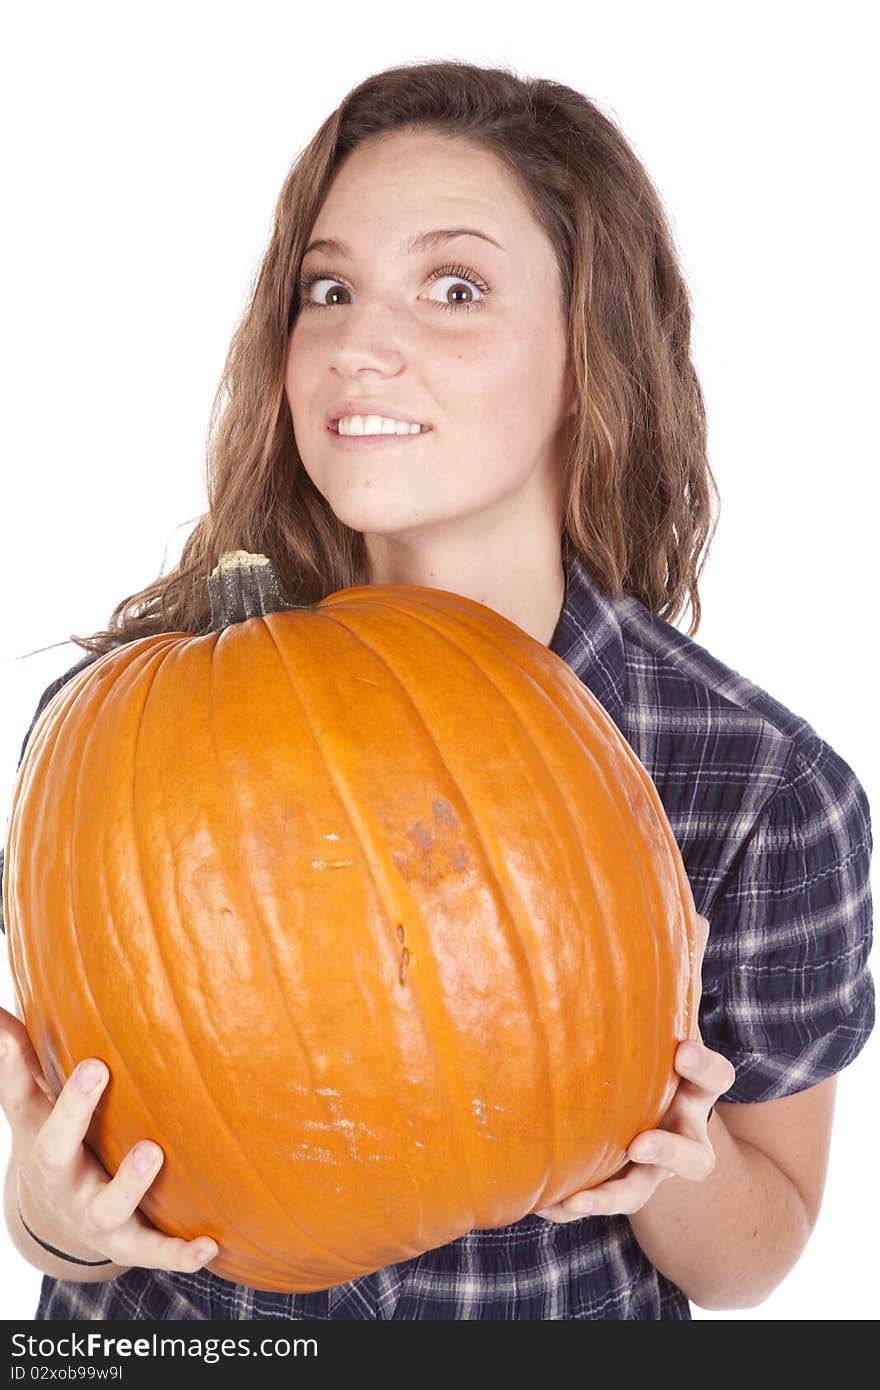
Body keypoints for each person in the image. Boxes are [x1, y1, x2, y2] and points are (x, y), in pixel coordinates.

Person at [0, 59, 873, 1321]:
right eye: (329, 288)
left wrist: (663, 1159)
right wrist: (52, 1214)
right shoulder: (110, 734)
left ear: (593, 353)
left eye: (453, 289)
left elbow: (758, 1252)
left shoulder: (754, 788)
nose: (360, 344)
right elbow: (63, 1209)